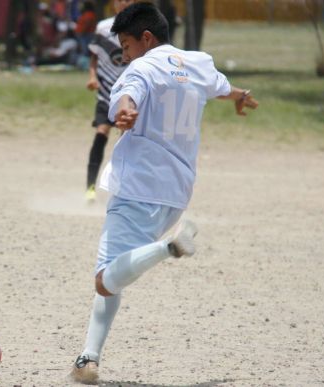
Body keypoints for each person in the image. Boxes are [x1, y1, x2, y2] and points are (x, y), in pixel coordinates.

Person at [69, 3, 258, 384]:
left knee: (105, 279)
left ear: (147, 39)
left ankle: (169, 249)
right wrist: (240, 95)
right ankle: (88, 358)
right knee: (117, 269)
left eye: (124, 45)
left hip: (137, 185)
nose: (123, 55)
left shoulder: (141, 67)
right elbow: (219, 87)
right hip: (176, 193)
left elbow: (128, 95)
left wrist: (123, 110)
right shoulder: (197, 62)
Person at [84, 0, 135, 202]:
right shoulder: (104, 28)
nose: (123, 3)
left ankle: (123, 191)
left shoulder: (139, 27)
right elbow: (94, 57)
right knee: (101, 132)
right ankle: (90, 187)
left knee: (126, 140)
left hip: (129, 93)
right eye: (119, 0)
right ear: (114, 4)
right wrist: (92, 76)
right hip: (106, 91)